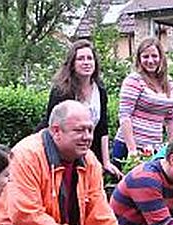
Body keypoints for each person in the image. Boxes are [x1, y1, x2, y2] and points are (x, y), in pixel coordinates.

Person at [0, 100, 131, 225]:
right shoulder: (27, 155)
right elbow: (24, 216)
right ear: (56, 131)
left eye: (90, 130)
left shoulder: (89, 161)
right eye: (79, 130)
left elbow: (101, 219)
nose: (87, 137)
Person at [44, 39, 118, 179]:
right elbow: (52, 127)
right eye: (80, 59)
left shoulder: (100, 90)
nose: (86, 62)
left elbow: (102, 127)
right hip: (62, 149)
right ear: (72, 64)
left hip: (89, 146)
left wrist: (106, 161)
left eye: (90, 58)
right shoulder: (61, 91)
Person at [112, 37, 173, 167]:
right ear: (139, 59)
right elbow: (125, 116)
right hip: (129, 147)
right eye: (145, 57)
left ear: (161, 58)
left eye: (154, 56)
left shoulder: (168, 82)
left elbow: (171, 118)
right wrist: (132, 150)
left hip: (154, 149)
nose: (150, 61)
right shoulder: (134, 81)